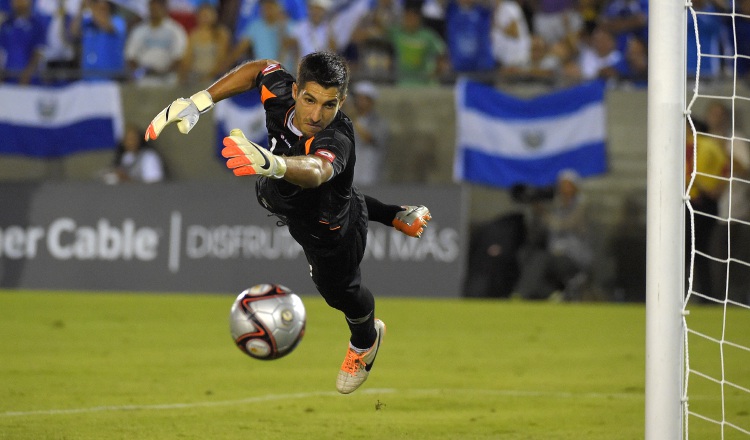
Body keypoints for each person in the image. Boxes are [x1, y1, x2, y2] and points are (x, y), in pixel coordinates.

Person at [143, 52, 432, 394]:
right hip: (318, 203)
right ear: (294, 91)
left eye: (330, 105)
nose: (316, 114)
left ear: (342, 102)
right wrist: (199, 101)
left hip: (333, 235)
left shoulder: (337, 137)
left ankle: (366, 340)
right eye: (310, 99)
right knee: (294, 192)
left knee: (342, 293)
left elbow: (317, 171)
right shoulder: (280, 95)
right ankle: (395, 213)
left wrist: (275, 164)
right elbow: (259, 69)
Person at [512, 169, 593, 301]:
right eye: (561, 185)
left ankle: (521, 294)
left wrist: (542, 212)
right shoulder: (557, 207)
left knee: (541, 259)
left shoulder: (582, 206)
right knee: (524, 255)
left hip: (573, 258)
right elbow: (540, 232)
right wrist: (534, 209)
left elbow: (563, 225)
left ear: (575, 187)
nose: (563, 188)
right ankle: (551, 294)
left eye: (567, 185)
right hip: (553, 256)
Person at [125, 0, 188, 86]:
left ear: (164, 8)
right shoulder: (139, 30)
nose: (154, 11)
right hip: (144, 81)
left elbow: (179, 57)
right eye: (151, 8)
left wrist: (162, 72)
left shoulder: (175, 31)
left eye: (157, 8)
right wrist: (142, 70)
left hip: (167, 81)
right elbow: (130, 56)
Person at [70, 0, 128, 81]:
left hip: (111, 78)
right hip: (88, 77)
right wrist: (80, 10)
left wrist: (90, 6)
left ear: (108, 6)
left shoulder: (117, 21)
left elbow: (106, 26)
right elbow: (74, 32)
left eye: (102, 7)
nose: (98, 9)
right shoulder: (87, 22)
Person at [348, 80, 389, 186]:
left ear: (371, 101)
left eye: (362, 99)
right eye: (357, 98)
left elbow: (369, 139)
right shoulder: (346, 121)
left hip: (370, 174)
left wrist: (354, 119)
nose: (358, 102)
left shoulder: (379, 123)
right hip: (351, 175)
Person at [0, 0, 47, 84]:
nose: (19, 3)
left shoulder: (37, 26)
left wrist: (28, 74)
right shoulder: (6, 25)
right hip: (8, 78)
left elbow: (39, 53)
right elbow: (1, 51)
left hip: (30, 80)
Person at [102, 123, 167, 183]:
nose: (130, 143)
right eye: (127, 139)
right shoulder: (123, 157)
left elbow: (154, 182)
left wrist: (126, 178)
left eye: (133, 139)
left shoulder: (149, 157)